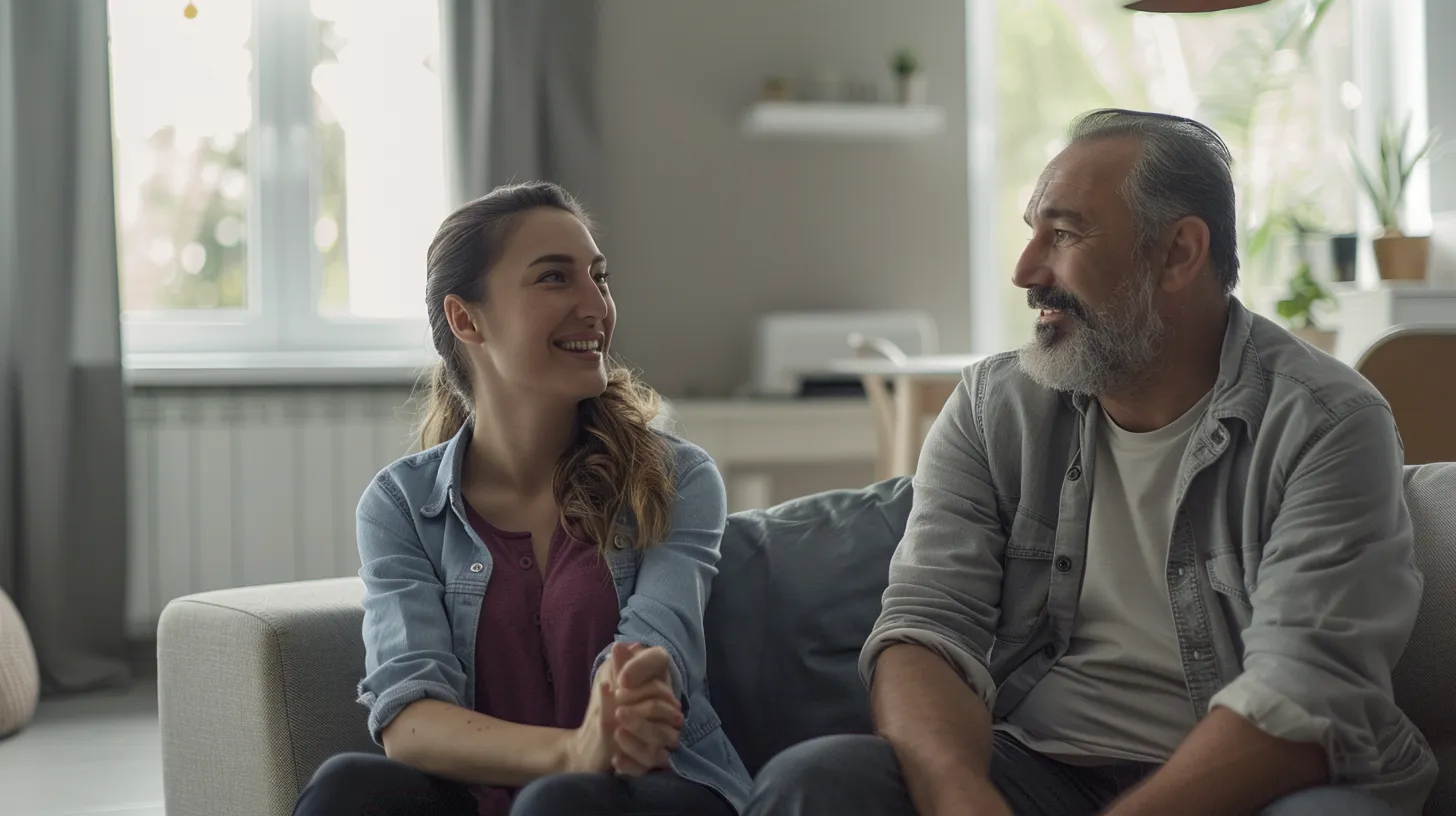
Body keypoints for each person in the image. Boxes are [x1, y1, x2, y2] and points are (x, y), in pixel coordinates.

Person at [747, 109, 1436, 816]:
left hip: (1250, 786)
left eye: (1065, 234)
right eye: (1031, 232)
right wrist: (961, 798)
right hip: (1035, 768)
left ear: (1178, 253)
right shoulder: (993, 407)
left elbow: (1304, 697)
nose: (1025, 270)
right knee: (819, 782)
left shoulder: (1327, 422)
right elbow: (925, 630)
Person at [293, 182, 751, 816]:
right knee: (348, 786)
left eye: (599, 277)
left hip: (657, 790)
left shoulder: (678, 477)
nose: (597, 306)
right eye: (554, 279)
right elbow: (410, 720)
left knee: (561, 804)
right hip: (497, 796)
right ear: (466, 319)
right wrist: (572, 751)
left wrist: (617, 714)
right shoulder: (401, 506)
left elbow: (655, 658)